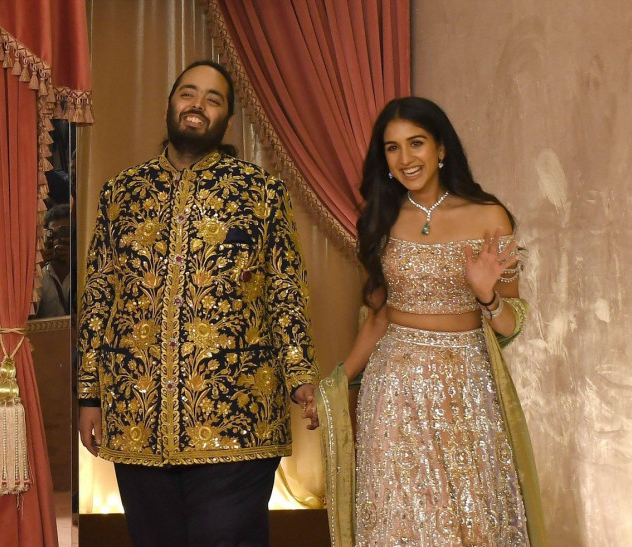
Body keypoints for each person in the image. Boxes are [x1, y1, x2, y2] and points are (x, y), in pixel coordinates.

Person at [77, 60, 319, 546]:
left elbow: (286, 289)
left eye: (214, 98)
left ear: (227, 117)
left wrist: (301, 377)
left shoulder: (261, 191)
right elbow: (99, 293)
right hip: (138, 413)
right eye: (189, 93)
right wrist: (89, 394)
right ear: (170, 103)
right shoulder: (121, 194)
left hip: (238, 413)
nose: (198, 105)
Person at [319, 97, 545, 546]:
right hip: (393, 390)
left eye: (416, 143)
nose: (406, 159)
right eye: (392, 148)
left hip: (466, 388)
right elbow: (380, 315)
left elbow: (512, 322)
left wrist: (484, 296)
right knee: (400, 519)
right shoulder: (380, 217)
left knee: (475, 519)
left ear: (441, 148)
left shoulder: (487, 216)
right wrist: (337, 383)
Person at [36, 204, 71, 318]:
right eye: (54, 235)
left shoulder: (85, 271)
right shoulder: (40, 275)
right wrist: (36, 267)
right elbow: (26, 317)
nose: (57, 242)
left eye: (65, 234)